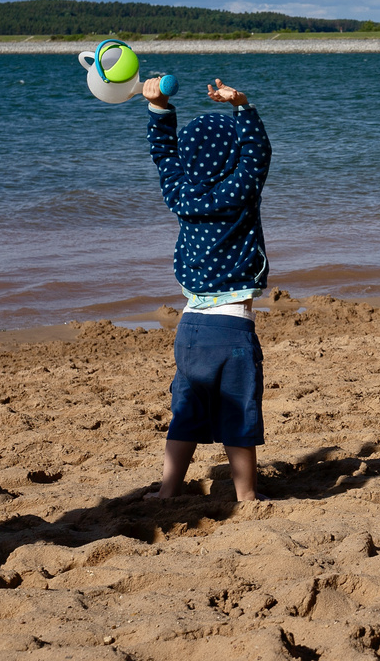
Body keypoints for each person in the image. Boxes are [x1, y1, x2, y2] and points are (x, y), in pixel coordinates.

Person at [141, 77, 272, 501]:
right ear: (232, 153)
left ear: (188, 157)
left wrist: (159, 106)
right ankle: (247, 497)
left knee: (185, 413)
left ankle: (166, 491)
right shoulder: (240, 189)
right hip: (232, 329)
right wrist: (243, 107)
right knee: (239, 414)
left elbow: (163, 155)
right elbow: (258, 154)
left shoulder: (180, 193)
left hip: (190, 328)